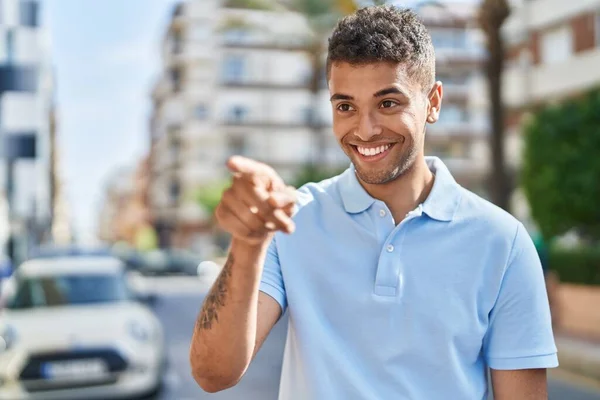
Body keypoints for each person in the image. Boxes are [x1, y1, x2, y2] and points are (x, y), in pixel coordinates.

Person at [189, 5, 557, 399]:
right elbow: (214, 373)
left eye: (388, 103)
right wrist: (247, 245)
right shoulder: (291, 220)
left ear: (432, 102)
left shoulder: (503, 241)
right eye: (345, 106)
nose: (364, 130)